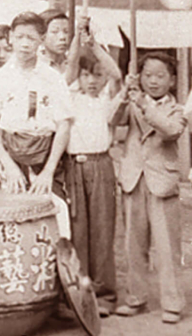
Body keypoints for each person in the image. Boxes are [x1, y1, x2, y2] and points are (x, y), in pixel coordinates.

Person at [0, 12, 72, 239]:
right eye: (19, 37)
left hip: (45, 158)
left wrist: (48, 171)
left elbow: (64, 125)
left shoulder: (53, 78)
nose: (24, 44)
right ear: (10, 37)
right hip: (11, 157)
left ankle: (54, 272)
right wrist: (8, 165)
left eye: (31, 38)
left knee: (57, 214)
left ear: (41, 39)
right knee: (12, 219)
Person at [112, 52, 186, 324]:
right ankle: (136, 298)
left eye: (160, 76)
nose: (153, 81)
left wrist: (144, 104)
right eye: (147, 76)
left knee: (168, 247)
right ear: (139, 77)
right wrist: (124, 94)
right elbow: (112, 119)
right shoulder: (132, 101)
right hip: (133, 178)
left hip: (162, 183)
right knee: (133, 244)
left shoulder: (177, 109)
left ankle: (173, 303)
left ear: (172, 79)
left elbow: (171, 131)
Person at [64, 47, 121, 317]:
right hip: (74, 166)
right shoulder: (70, 96)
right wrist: (79, 41)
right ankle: (80, 292)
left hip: (101, 165)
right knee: (78, 230)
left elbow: (116, 73)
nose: (92, 80)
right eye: (87, 75)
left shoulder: (106, 97)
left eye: (97, 75)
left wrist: (95, 44)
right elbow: (70, 68)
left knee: (102, 229)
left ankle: (105, 294)